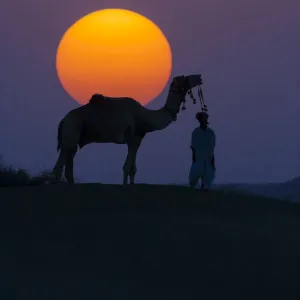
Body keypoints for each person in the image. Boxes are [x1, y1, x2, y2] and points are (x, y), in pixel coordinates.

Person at [189, 111, 216, 190]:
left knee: (208, 179)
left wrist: (212, 160)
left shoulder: (211, 133)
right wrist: (194, 160)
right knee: (194, 178)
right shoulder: (195, 132)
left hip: (208, 159)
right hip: (198, 158)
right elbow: (193, 148)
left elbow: (212, 148)